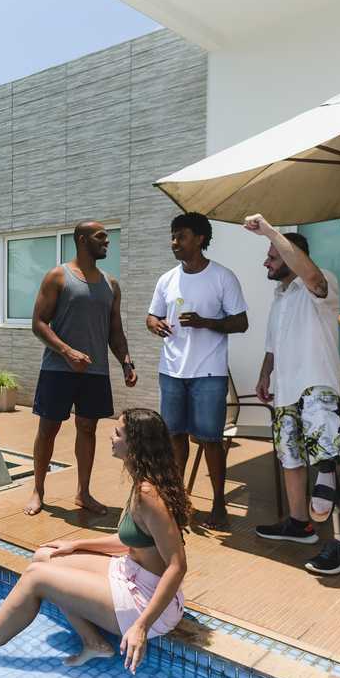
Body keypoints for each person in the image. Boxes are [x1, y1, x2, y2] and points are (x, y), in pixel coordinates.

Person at [0, 408, 188, 674]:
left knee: (37, 577)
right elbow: (131, 540)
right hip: (131, 573)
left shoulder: (149, 494)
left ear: (135, 444)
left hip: (149, 603)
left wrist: (141, 626)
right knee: (47, 556)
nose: (110, 436)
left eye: (117, 432)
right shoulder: (141, 483)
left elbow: (177, 566)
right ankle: (94, 643)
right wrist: (76, 545)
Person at [244, 216, 340, 575]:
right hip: (286, 390)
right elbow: (273, 344)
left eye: (273, 256)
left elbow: (312, 278)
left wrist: (270, 231)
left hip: (316, 383)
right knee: (290, 458)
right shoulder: (280, 296)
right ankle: (299, 524)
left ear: (293, 257)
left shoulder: (321, 284)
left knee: (325, 456)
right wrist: (265, 374)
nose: (266, 262)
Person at [25, 221, 136, 517]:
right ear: (82, 240)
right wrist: (66, 351)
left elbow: (115, 331)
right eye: (101, 237)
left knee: (87, 429)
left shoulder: (111, 285)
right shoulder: (58, 276)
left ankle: (83, 493)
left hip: (95, 371)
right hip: (57, 370)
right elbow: (38, 323)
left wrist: (126, 361)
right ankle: (38, 488)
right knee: (48, 429)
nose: (107, 242)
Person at [146, 212, 248, 529]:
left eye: (182, 236)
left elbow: (241, 322)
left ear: (200, 239)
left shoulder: (222, 277)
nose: (174, 242)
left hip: (209, 373)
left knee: (210, 440)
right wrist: (156, 324)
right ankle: (179, 502)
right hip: (172, 371)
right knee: (175, 438)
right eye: (173, 236)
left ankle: (219, 503)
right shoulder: (167, 279)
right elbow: (151, 317)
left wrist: (207, 323)